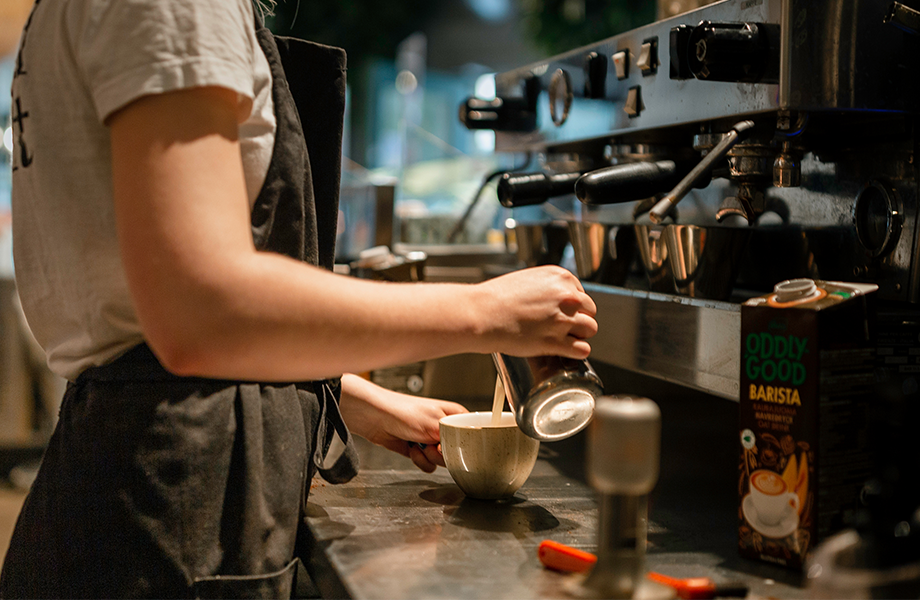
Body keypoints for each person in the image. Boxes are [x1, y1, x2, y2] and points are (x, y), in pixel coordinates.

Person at [2, 0, 598, 598]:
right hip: (166, 509)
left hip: (124, 486)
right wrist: (486, 313)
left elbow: (132, 308)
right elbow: (198, 309)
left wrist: (337, 391)